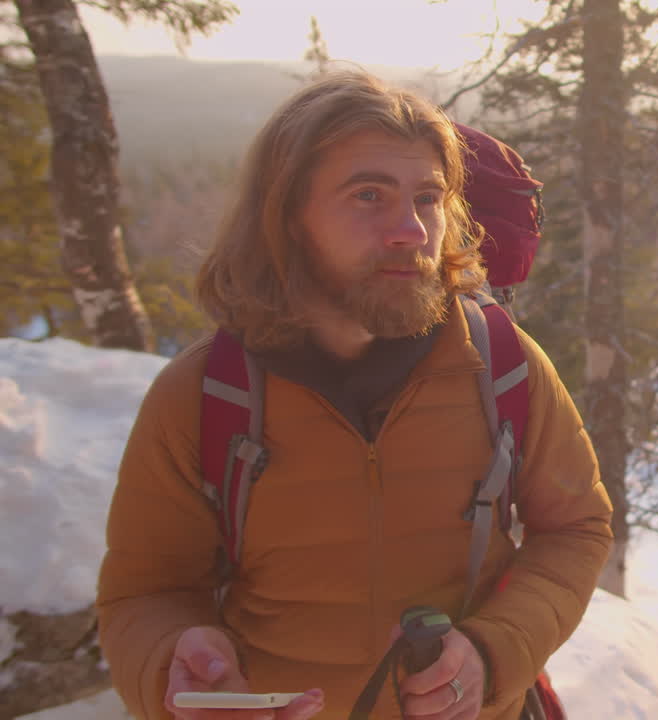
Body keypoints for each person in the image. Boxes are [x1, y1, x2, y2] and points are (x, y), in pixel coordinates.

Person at [96, 71, 614, 720]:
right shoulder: (206, 395)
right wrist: (172, 666)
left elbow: (576, 527)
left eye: (427, 198)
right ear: (287, 215)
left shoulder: (502, 367)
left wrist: (493, 652)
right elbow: (145, 591)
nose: (411, 230)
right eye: (369, 195)